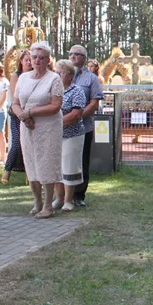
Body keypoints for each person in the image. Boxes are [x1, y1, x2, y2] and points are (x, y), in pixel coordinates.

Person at [12, 42, 63, 218]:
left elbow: (56, 105)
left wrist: (31, 112)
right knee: (31, 163)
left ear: (48, 60)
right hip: (27, 127)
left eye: (42, 58)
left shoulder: (54, 78)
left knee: (46, 163)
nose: (37, 61)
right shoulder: (23, 78)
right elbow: (15, 103)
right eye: (34, 57)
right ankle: (37, 202)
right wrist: (23, 116)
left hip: (48, 127)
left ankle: (48, 205)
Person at [68, 45, 104, 208]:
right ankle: (62, 194)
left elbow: (94, 103)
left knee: (81, 160)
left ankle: (78, 194)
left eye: (77, 54)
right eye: (71, 54)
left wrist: (77, 117)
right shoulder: (59, 76)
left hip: (83, 127)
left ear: (84, 58)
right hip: (62, 128)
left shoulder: (91, 79)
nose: (73, 57)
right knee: (64, 159)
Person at [55, 60, 87, 210]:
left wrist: (55, 123)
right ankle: (58, 199)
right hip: (54, 135)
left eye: (60, 73)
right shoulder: (54, 90)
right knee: (56, 166)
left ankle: (69, 201)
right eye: (55, 72)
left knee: (69, 166)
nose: (57, 75)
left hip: (72, 135)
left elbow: (76, 114)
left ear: (70, 76)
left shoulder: (77, 91)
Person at [2, 50, 31, 184]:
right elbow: (15, 96)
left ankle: (29, 174)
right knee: (17, 144)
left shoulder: (36, 75)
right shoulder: (16, 76)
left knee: (30, 144)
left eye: (31, 59)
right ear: (21, 61)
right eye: (26, 59)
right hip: (16, 113)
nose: (29, 62)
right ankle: (7, 172)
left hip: (31, 112)